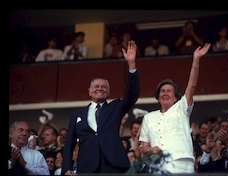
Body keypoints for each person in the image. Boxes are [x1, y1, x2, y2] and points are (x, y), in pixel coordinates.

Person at [62, 40, 140, 174]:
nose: (100, 89)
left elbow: (132, 95)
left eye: (104, 87)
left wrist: (131, 64)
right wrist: (67, 167)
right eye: (96, 86)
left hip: (113, 164)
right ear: (89, 92)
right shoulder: (77, 115)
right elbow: (69, 143)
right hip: (87, 165)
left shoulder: (115, 107)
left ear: (108, 92)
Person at [139, 43, 211, 174]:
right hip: (158, 165)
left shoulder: (181, 107)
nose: (165, 93)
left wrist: (196, 59)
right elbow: (143, 149)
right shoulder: (148, 117)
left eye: (169, 91)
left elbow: (192, 85)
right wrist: (151, 150)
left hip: (181, 163)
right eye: (162, 91)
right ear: (158, 95)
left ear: (176, 96)